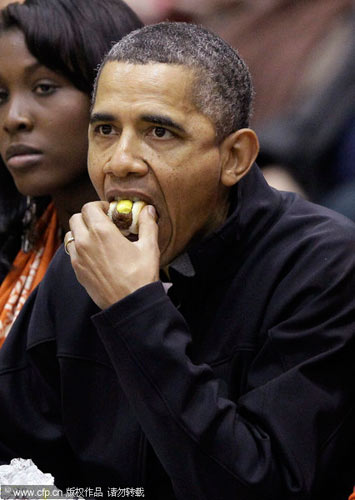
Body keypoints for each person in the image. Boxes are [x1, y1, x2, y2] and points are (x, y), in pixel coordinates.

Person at [1, 21, 355, 500]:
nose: (120, 161)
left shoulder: (323, 263)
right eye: (105, 129)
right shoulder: (81, 262)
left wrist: (134, 309)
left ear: (235, 157)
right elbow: (16, 467)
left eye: (159, 132)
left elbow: (264, 485)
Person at [0, 0, 143, 344]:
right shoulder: (22, 233)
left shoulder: (158, 254)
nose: (13, 118)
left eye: (44, 88)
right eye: (0, 95)